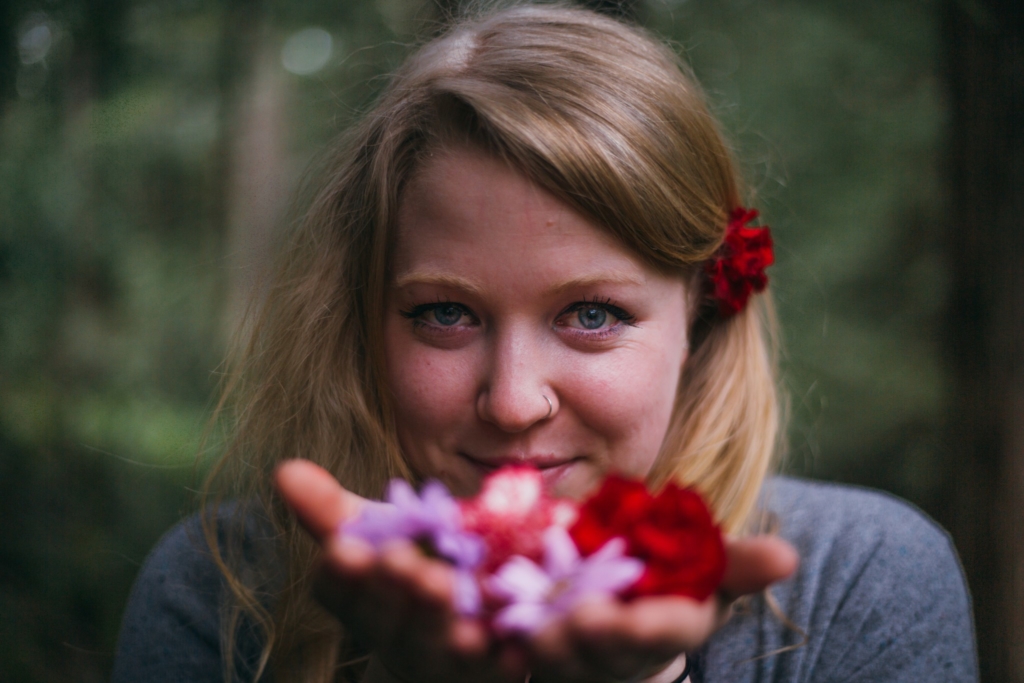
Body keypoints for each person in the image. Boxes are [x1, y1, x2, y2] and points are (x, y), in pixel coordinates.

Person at [111, 4, 977, 682]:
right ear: (364, 322)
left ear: (701, 321)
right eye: (445, 313)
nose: (515, 400)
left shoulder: (861, 581)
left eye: (592, 315)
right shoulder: (223, 590)